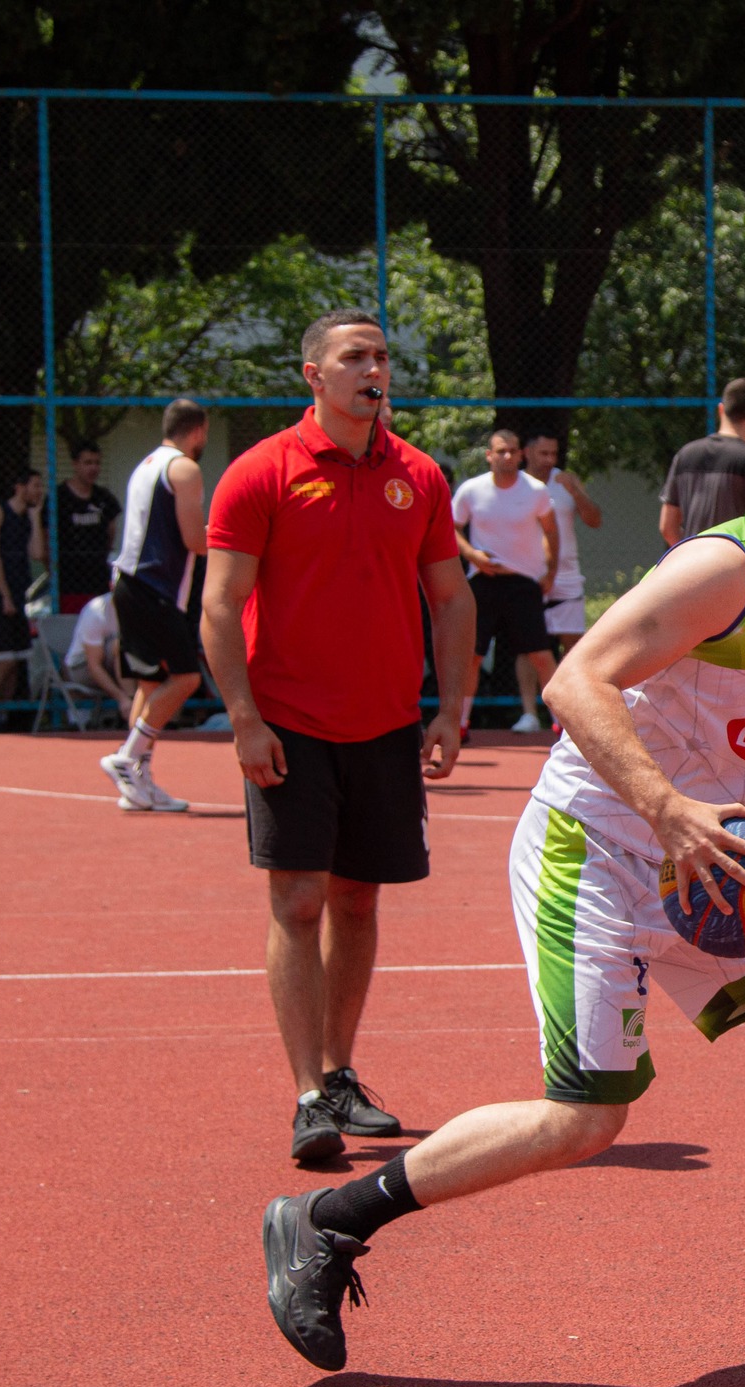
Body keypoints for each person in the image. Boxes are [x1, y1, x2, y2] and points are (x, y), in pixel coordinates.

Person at [259, 374, 745, 1373]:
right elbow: (579, 680)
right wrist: (668, 813)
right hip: (600, 851)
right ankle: (327, 1219)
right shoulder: (719, 568)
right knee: (587, 1118)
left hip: (705, 861)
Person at [200, 307, 476, 1164]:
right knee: (299, 900)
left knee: (358, 900)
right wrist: (244, 718)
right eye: (356, 356)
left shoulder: (419, 475)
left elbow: (453, 598)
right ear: (314, 375)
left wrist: (453, 708)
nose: (374, 368)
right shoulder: (260, 473)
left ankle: (340, 1069)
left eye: (383, 356)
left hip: (388, 723)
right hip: (289, 723)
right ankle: (308, 1097)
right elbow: (216, 606)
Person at [101, 399, 209, 811]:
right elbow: (194, 541)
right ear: (198, 431)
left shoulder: (145, 465)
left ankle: (137, 783)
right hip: (154, 588)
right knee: (185, 679)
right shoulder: (184, 468)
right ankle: (127, 759)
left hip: (128, 585)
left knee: (150, 686)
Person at [453, 428, 558, 735]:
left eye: (513, 450)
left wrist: (550, 572)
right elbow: (451, 528)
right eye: (501, 451)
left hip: (523, 584)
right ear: (489, 455)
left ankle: (563, 722)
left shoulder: (536, 490)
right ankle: (460, 722)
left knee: (541, 655)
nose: (508, 456)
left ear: (521, 454)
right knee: (472, 655)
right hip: (483, 582)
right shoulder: (471, 490)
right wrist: (473, 555)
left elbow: (551, 531)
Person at [515, 431, 603, 714]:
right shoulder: (515, 485)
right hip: (528, 576)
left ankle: (568, 713)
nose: (548, 460)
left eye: (553, 454)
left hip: (567, 576)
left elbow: (594, 520)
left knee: (573, 646)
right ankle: (529, 714)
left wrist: (575, 491)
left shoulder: (566, 480)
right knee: (528, 648)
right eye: (543, 454)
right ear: (527, 453)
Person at [0, 470, 45, 727]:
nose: (39, 491)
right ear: (19, 487)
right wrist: (5, 596)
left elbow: (37, 553)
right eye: (35, 486)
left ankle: (1, 719)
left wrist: (36, 517)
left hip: (18, 598)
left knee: (16, 661)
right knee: (3, 660)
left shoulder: (27, 517)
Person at [660, 378, 745, 546]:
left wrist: (691, 553)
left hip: (693, 566)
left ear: (721, 409)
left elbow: (667, 527)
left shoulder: (685, 454)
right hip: (737, 566)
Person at [55, 442, 122, 613]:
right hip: (70, 585)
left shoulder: (104, 498)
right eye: (88, 463)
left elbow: (111, 532)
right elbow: (47, 538)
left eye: (97, 463)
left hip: (98, 582)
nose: (93, 468)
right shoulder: (59, 498)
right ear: (75, 464)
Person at [63, 587, 133, 717]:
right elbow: (94, 666)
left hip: (117, 667)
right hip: (81, 668)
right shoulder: (96, 611)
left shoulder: (143, 608)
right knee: (120, 645)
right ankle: (132, 704)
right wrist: (122, 699)